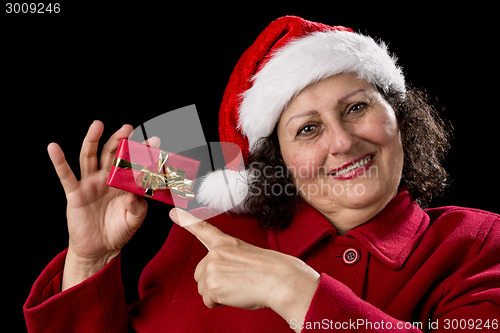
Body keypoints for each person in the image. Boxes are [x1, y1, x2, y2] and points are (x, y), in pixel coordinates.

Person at [24, 16, 499, 332]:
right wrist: (90, 261)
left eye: (357, 108)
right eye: (308, 128)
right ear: (280, 161)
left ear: (401, 117)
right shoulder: (206, 232)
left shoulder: (476, 243)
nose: (342, 141)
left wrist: (291, 288)